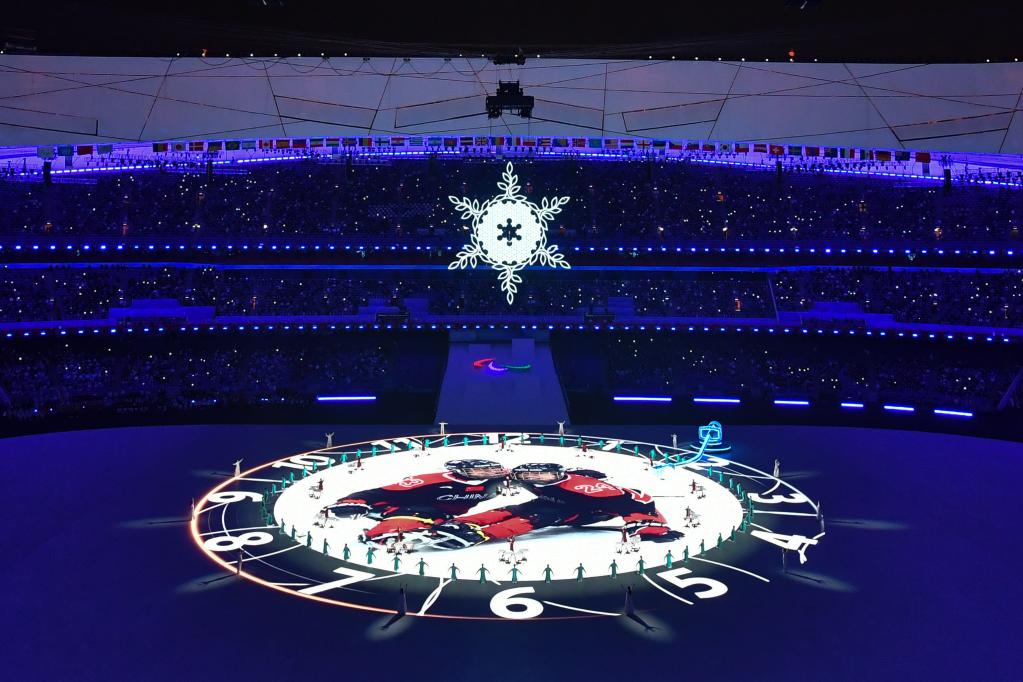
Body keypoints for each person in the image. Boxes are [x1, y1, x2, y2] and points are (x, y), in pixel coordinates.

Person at [427, 462, 683, 549]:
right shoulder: (528, 481)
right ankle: (460, 524)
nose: (536, 478)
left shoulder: (583, 488)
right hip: (556, 502)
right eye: (530, 476)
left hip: (584, 510)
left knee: (537, 517)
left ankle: (480, 535)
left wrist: (650, 528)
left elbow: (635, 500)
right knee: (512, 509)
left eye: (542, 475)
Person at [324, 459, 510, 545]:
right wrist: (353, 501)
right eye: (485, 471)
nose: (492, 473)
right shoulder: (431, 480)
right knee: (416, 517)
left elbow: (520, 476)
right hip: (406, 508)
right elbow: (382, 491)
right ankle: (382, 535)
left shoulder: (495, 482)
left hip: (443, 514)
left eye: (492, 470)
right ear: (464, 472)